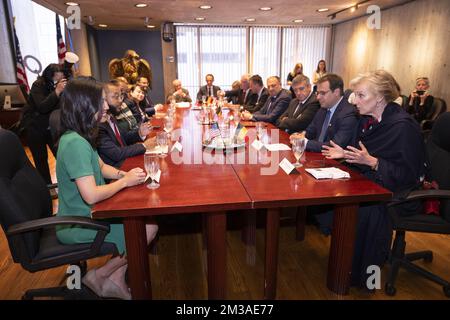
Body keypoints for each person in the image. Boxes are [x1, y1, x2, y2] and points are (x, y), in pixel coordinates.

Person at [321, 70, 426, 288]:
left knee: (363, 208)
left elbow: (410, 175)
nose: (355, 101)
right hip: (375, 181)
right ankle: (346, 266)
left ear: (379, 97)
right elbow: (365, 156)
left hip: (402, 194)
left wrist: (375, 163)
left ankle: (369, 280)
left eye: (361, 96)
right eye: (355, 95)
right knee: (334, 194)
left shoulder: (402, 127)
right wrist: (346, 155)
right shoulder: (369, 120)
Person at [56, 78, 158, 300]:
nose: (106, 106)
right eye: (101, 101)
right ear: (85, 105)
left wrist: (130, 176)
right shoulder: (75, 143)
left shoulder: (80, 135)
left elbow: (102, 167)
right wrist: (124, 182)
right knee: (148, 228)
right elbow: (91, 194)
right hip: (79, 221)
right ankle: (99, 276)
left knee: (146, 223)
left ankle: (113, 278)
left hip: (94, 212)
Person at [291, 73, 357, 152]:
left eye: (322, 93)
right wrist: (299, 136)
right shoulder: (323, 109)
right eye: (317, 93)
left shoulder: (349, 113)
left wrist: (304, 143)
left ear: (336, 92)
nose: (318, 97)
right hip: (316, 156)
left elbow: (335, 146)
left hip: (335, 161)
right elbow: (310, 131)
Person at [23, 63, 66, 185]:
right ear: (52, 74)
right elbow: (42, 107)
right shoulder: (38, 85)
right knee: (41, 159)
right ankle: (47, 187)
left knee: (60, 154)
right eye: (60, 73)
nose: (62, 75)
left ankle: (67, 182)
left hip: (50, 128)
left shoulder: (58, 86)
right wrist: (57, 91)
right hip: (35, 128)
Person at [98, 80, 155, 167]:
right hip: (117, 170)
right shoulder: (99, 126)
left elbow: (124, 138)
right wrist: (144, 146)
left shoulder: (111, 118)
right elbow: (116, 153)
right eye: (115, 97)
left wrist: (140, 133)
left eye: (121, 96)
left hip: (126, 162)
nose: (120, 100)